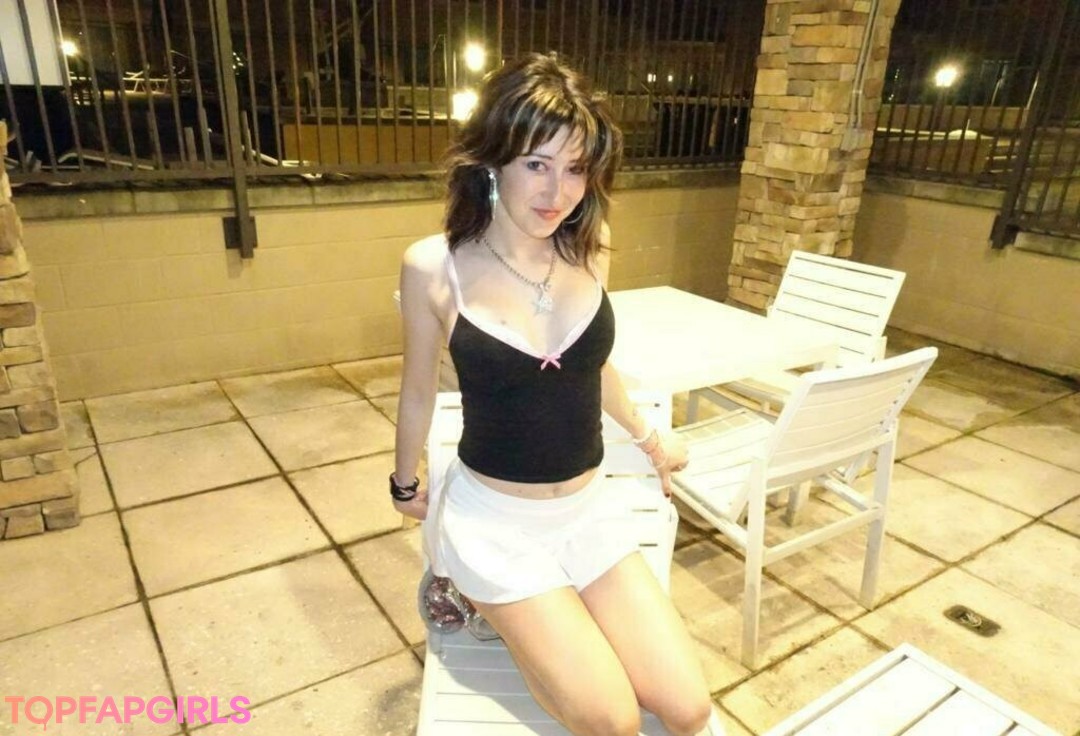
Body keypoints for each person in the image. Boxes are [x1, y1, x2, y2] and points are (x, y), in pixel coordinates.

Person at [392, 53, 713, 736]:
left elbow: (591, 367)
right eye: (537, 164)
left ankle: (538, 620)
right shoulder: (434, 266)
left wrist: (650, 440)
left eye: (575, 168)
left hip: (587, 514)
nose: (557, 191)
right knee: (614, 721)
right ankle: (484, 597)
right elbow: (416, 391)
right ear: (492, 159)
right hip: (495, 525)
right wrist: (404, 484)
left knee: (688, 710)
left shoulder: (590, 246)